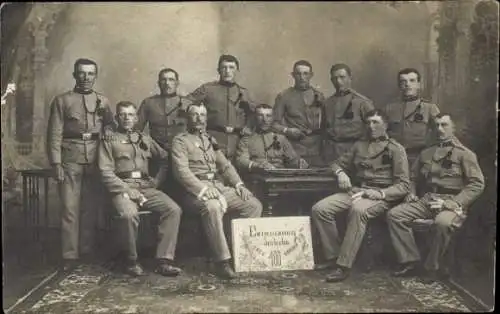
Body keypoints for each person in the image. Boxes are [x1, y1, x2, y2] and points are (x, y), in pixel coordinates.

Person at [311, 109, 409, 282]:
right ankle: (333, 256)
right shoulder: (359, 146)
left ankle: (343, 266)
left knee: (358, 211)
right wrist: (341, 172)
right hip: (358, 191)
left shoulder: (396, 149)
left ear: (385, 125)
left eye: (376, 122)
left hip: (380, 196)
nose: (371, 126)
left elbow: (403, 186)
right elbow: (334, 163)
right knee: (320, 209)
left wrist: (380, 193)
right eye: (368, 122)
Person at [387, 113, 484, 283]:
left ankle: (432, 267)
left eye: (444, 125)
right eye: (437, 125)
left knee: (442, 223)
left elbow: (476, 184)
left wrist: (452, 203)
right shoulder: (427, 152)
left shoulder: (465, 154)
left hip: (453, 201)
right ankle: (410, 260)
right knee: (395, 215)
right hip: (429, 199)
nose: (440, 129)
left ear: (454, 128)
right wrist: (412, 192)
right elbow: (413, 177)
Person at [171, 103, 263, 279]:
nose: (199, 118)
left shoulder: (209, 140)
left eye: (203, 115)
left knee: (252, 204)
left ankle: (242, 253)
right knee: (212, 206)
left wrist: (239, 185)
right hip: (193, 192)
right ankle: (222, 261)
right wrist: (204, 189)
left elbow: (226, 166)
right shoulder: (180, 141)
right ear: (188, 118)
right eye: (195, 115)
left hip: (217, 187)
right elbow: (181, 173)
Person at [98, 101, 182, 277]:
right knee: (129, 215)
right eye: (122, 114)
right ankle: (131, 260)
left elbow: (165, 159)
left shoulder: (145, 139)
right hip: (122, 188)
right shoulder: (109, 139)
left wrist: (156, 181)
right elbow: (105, 172)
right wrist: (127, 190)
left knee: (173, 209)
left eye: (130, 114)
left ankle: (164, 261)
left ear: (136, 118)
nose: (127, 118)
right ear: (116, 118)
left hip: (145, 187)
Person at [47, 58, 114, 270]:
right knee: (69, 207)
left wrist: (109, 130)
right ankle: (70, 255)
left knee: (90, 207)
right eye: (82, 73)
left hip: (96, 158)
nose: (86, 78)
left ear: (96, 76)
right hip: (70, 158)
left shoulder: (103, 101)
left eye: (91, 74)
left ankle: (86, 251)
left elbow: (111, 125)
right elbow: (54, 134)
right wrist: (56, 163)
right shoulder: (62, 101)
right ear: (75, 75)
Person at [185, 54, 255, 160]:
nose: (227, 71)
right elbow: (185, 104)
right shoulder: (207, 89)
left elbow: (254, 113)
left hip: (237, 142)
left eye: (231, 67)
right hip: (212, 138)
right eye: (224, 67)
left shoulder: (244, 92)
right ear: (218, 70)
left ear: (237, 70)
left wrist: (248, 127)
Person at [136, 68, 191, 177]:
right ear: (158, 83)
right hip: (156, 155)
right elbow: (136, 129)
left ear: (177, 83)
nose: (167, 83)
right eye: (163, 80)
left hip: (181, 155)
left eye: (171, 80)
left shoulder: (187, 103)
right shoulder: (148, 103)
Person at [272, 60, 326, 167]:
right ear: (293, 75)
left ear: (311, 75)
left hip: (317, 148)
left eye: (305, 74)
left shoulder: (319, 96)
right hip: (294, 148)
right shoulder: (284, 96)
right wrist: (287, 130)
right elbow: (273, 124)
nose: (302, 77)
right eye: (298, 74)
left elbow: (326, 124)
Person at [384, 68, 440, 165]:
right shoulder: (389, 109)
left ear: (419, 84)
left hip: (421, 159)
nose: (408, 84)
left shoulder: (430, 108)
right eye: (403, 81)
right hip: (394, 158)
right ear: (399, 85)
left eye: (412, 81)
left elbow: (442, 134)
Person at [322, 63, 374, 163]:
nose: (338, 81)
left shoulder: (363, 102)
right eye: (335, 78)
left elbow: (374, 130)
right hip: (331, 154)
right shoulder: (327, 103)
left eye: (342, 77)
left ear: (350, 78)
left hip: (354, 154)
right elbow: (324, 130)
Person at [235, 104, 308, 172]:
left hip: (280, 177)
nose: (264, 120)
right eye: (260, 115)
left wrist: (299, 163)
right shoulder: (247, 139)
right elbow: (241, 161)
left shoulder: (281, 138)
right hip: (258, 177)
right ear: (255, 117)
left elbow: (292, 161)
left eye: (268, 116)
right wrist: (257, 165)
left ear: (272, 118)